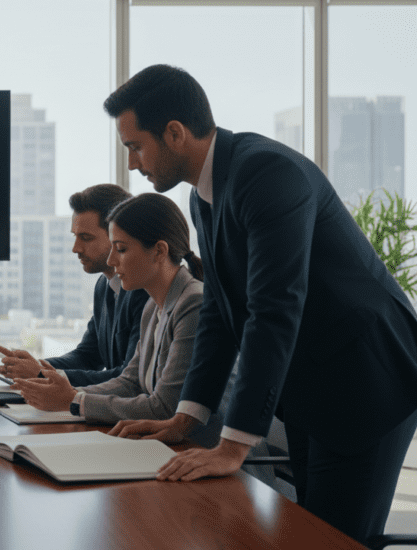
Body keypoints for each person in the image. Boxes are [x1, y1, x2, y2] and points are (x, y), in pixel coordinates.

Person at [102, 64, 417, 544]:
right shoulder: (204, 197)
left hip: (365, 382)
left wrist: (233, 446)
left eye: (135, 146)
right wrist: (187, 417)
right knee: (306, 532)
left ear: (174, 133)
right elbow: (220, 314)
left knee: (334, 540)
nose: (132, 164)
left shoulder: (266, 173)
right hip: (315, 386)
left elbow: (273, 310)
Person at [16, 193, 205, 429]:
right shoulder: (152, 307)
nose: (112, 260)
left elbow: (164, 408)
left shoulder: (193, 304)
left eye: (121, 249)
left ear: (159, 251)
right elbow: (130, 382)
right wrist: (62, 395)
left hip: (197, 450)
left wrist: (74, 400)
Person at [0, 184, 149, 387]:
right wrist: (32, 366)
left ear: (117, 234)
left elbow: (128, 379)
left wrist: (41, 373)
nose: (76, 248)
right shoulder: (104, 286)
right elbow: (87, 356)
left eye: (86, 238)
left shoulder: (145, 291)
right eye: (75, 236)